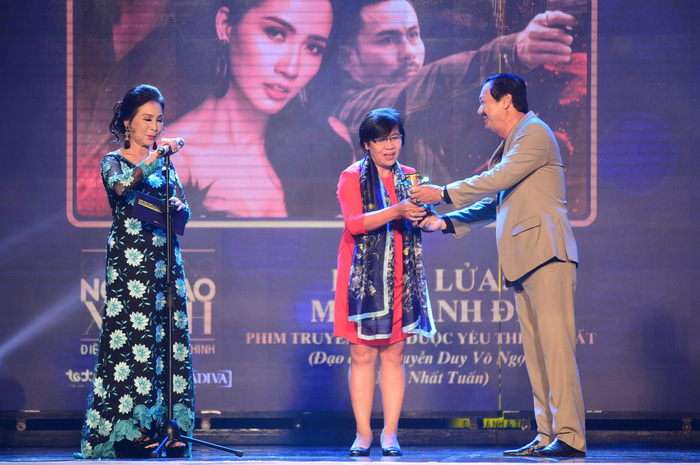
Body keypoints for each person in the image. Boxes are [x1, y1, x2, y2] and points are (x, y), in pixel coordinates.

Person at [412, 74, 586, 458]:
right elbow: (497, 200)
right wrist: (445, 222)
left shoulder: (534, 133)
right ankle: (547, 434)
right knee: (537, 355)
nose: (480, 110)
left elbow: (498, 179)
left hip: (546, 255)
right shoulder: (514, 144)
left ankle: (570, 436)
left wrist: (442, 193)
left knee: (556, 351)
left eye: (484, 101)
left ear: (506, 100)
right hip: (525, 260)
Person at [323, 0, 579, 186]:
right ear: (348, 58)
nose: (408, 52)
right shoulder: (352, 111)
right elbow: (426, 86)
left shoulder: (429, 112)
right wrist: (509, 53)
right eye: (387, 40)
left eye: (413, 35)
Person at [79, 84, 195, 459]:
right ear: (128, 122)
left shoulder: (165, 164)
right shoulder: (113, 161)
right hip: (131, 265)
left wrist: (178, 206)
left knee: (167, 341)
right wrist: (156, 157)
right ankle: (131, 430)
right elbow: (120, 187)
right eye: (147, 119)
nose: (155, 127)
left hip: (166, 263)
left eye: (159, 120)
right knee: (134, 343)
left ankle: (168, 427)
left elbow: (184, 210)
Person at [166, 0, 350, 218]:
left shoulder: (332, 142)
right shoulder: (169, 159)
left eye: (313, 48)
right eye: (276, 33)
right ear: (225, 26)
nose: (291, 68)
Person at [334, 108, 436, 457]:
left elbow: (423, 219)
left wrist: (430, 217)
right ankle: (363, 434)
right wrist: (397, 210)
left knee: (394, 354)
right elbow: (355, 223)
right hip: (362, 279)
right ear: (367, 144)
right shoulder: (351, 176)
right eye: (381, 140)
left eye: (394, 138)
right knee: (362, 354)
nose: (389, 146)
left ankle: (390, 434)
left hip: (401, 275)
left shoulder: (411, 176)